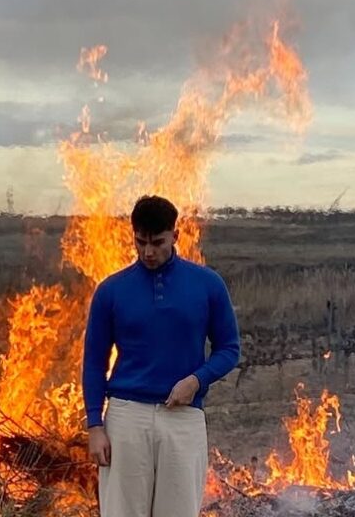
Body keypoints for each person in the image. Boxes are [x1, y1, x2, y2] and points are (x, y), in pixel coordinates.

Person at [82, 195, 241, 517]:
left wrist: (196, 381)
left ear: (175, 236)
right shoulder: (111, 290)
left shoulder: (208, 285)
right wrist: (95, 425)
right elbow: (94, 362)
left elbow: (229, 348)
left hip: (183, 418)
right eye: (140, 242)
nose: (148, 252)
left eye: (157, 242)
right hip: (126, 418)